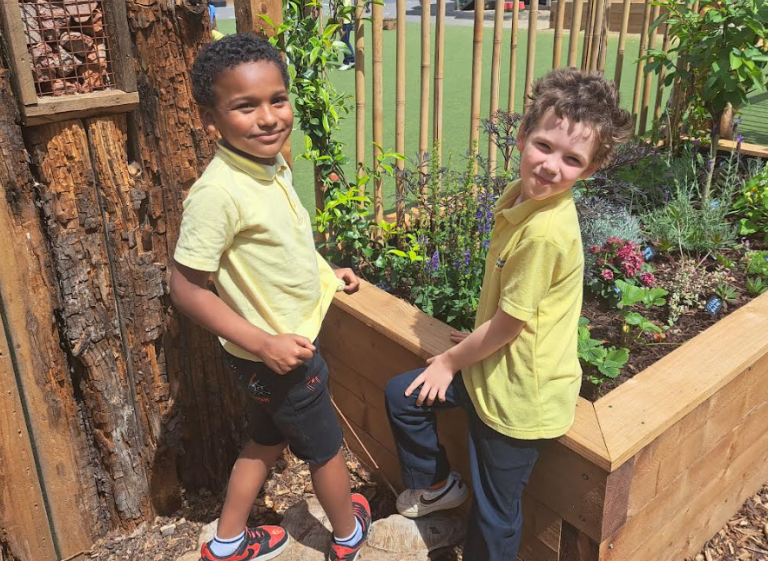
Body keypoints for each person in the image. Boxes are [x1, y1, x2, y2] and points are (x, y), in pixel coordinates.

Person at [384, 68, 633, 560]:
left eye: (572, 159)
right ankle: (437, 487)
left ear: (589, 170)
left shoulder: (544, 233)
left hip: (520, 399)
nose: (551, 166)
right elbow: (509, 314)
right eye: (544, 146)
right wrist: (477, 339)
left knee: (494, 515)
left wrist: (451, 360)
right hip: (492, 366)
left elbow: (511, 325)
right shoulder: (518, 200)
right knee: (402, 396)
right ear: (521, 136)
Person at [171, 33, 371, 561]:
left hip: (271, 354)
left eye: (277, 99)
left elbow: (285, 243)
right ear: (210, 120)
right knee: (326, 450)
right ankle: (348, 536)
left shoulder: (268, 163)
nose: (268, 118)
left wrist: (326, 273)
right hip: (280, 355)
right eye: (245, 106)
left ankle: (227, 542)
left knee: (265, 438)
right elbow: (185, 287)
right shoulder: (218, 193)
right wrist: (264, 343)